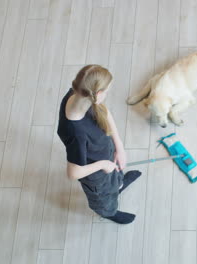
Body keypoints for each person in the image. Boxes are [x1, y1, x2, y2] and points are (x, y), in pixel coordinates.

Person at [57, 65, 141, 224]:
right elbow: (73, 173)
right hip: (97, 175)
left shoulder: (79, 94)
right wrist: (103, 164)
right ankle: (109, 212)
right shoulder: (76, 132)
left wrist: (119, 147)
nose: (107, 95)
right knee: (104, 198)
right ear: (98, 94)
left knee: (116, 176)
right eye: (107, 91)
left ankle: (118, 186)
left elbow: (103, 112)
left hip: (107, 156)